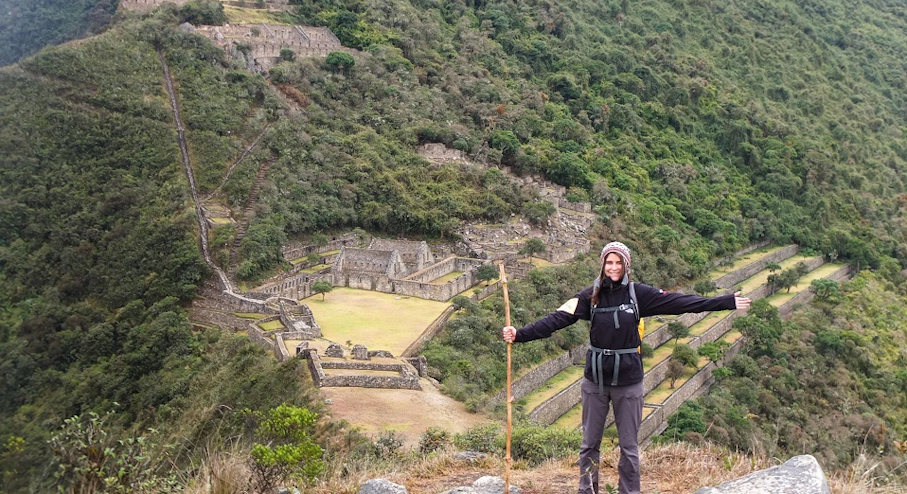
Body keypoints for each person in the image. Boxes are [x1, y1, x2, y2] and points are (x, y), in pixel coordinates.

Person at [502, 241, 751, 494]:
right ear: (602, 265)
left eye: (618, 262)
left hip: (629, 382)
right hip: (595, 381)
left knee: (629, 447)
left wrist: (726, 302)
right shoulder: (590, 296)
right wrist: (519, 334)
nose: (613, 267)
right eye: (609, 262)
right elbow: (556, 320)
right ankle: (587, 491)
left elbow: (681, 303)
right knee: (589, 444)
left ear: (626, 264)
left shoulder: (638, 294)